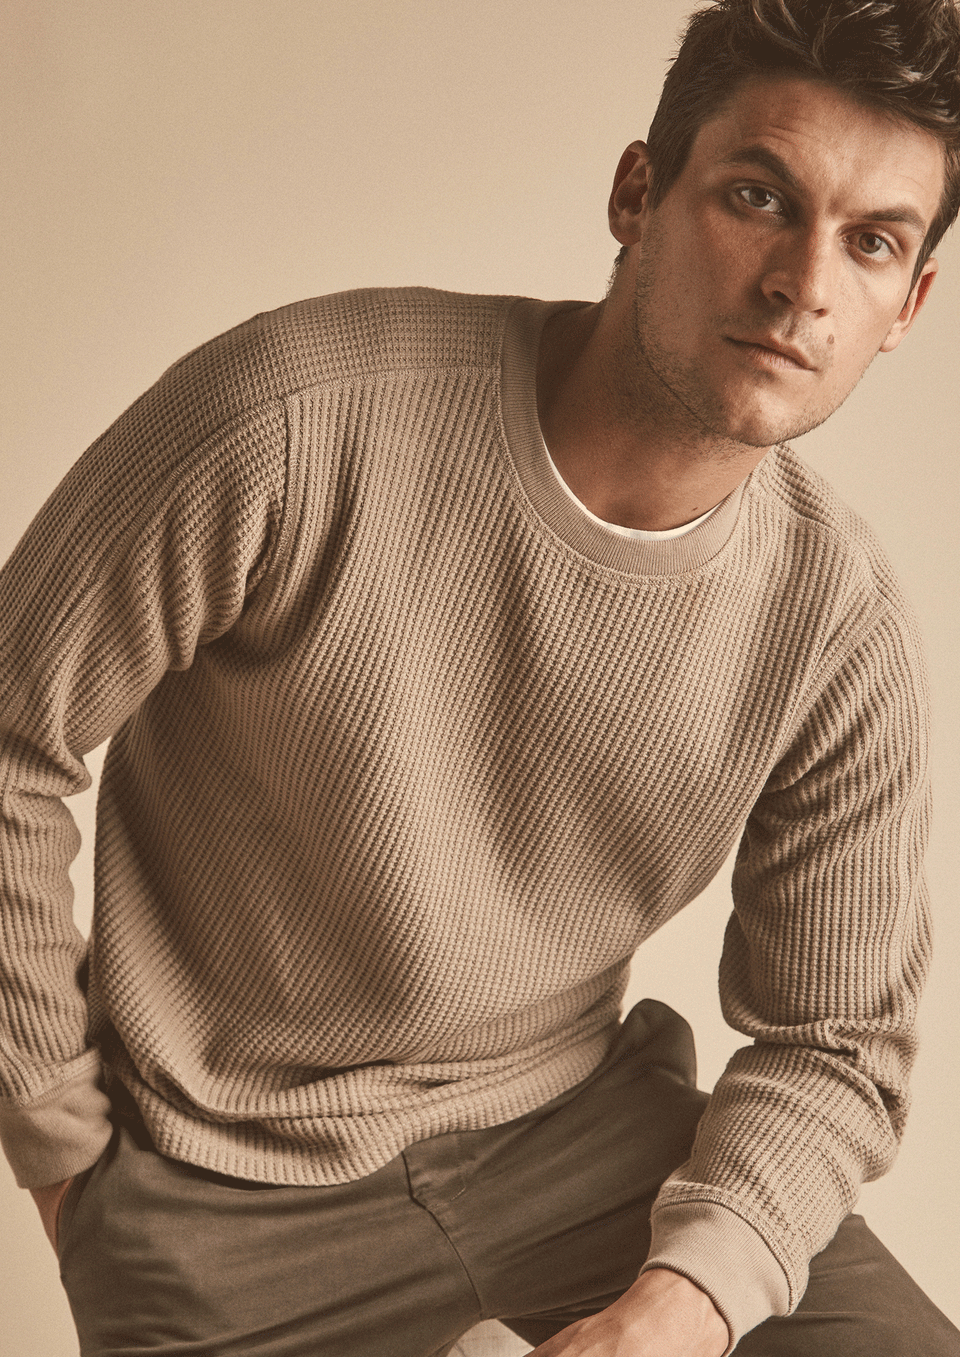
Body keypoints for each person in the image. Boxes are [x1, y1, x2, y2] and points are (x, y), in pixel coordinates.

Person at [1, 0, 959, 1352]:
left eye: (871, 243)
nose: (804, 284)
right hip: (222, 1189)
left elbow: (837, 1042)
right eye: (760, 197)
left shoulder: (838, 628)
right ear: (638, 194)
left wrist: (681, 1306)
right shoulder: (298, 419)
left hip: (579, 1140)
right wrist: (65, 1157)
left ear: (909, 304)